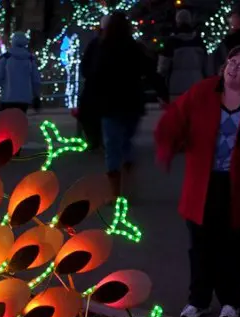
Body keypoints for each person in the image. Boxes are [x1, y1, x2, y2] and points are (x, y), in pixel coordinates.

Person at [155, 45, 240, 317]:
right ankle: (198, 299)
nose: (234, 69)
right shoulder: (202, 92)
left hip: (238, 185)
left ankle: (230, 300)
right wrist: (169, 142)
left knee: (233, 245)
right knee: (200, 244)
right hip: (201, 183)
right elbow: (174, 119)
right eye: (232, 62)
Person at [93, 11, 169, 199]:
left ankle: (114, 191)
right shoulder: (134, 48)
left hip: (110, 104)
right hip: (132, 103)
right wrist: (162, 94)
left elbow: (95, 76)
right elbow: (151, 72)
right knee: (126, 143)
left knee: (112, 146)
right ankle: (128, 185)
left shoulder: (104, 48)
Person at [77, 14, 110, 151]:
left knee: (90, 113)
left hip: (95, 86)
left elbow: (85, 64)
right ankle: (99, 139)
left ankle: (94, 139)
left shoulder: (95, 44)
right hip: (107, 86)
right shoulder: (119, 43)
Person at [158, 9, 207, 97]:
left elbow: (163, 66)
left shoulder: (172, 42)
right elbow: (207, 65)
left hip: (176, 84)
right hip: (196, 82)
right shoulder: (199, 41)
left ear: (177, 21)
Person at [0, 32, 42, 113]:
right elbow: (36, 80)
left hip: (7, 97)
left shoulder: (6, 58)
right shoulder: (29, 59)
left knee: (5, 122)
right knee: (19, 121)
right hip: (24, 98)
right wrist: (36, 96)